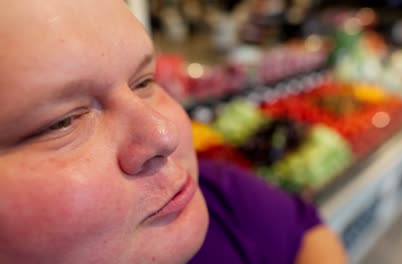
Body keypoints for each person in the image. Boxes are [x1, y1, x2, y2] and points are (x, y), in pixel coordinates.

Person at [0, 0, 347, 263]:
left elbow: (304, 231)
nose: (165, 134)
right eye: (62, 122)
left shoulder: (219, 195)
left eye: (144, 82)